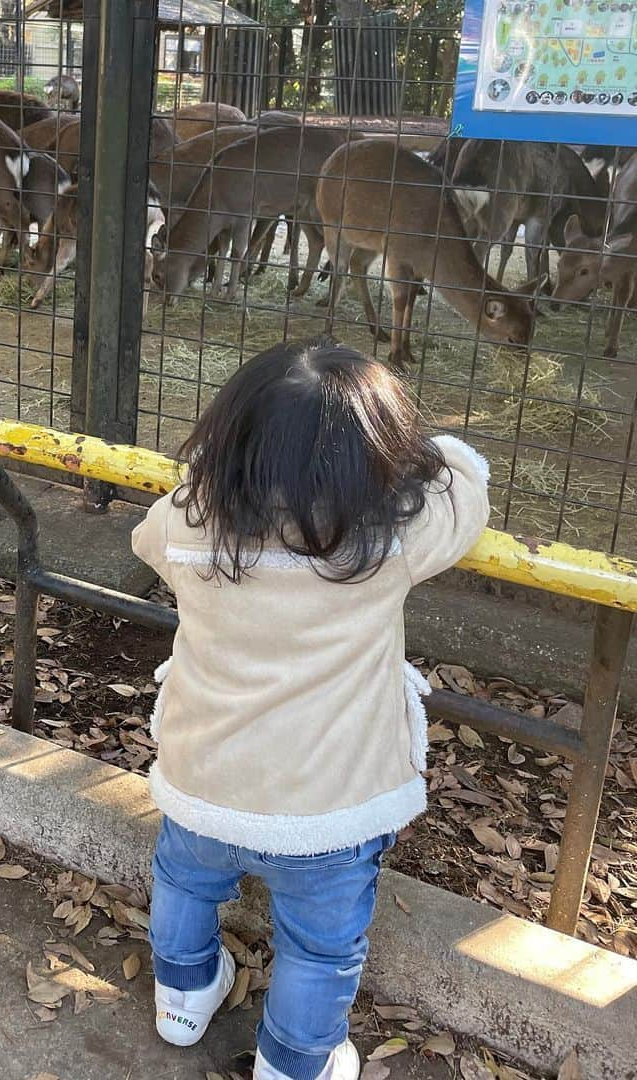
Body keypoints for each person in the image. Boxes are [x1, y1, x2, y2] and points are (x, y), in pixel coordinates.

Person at [131, 340, 490, 1080]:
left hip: (205, 782)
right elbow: (467, 491)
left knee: (183, 883)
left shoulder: (192, 523)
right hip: (331, 806)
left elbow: (146, 541)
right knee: (321, 947)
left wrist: (206, 487)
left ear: (229, 440)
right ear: (380, 457)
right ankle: (294, 1061)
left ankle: (183, 995)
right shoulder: (393, 534)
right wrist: (433, 451)